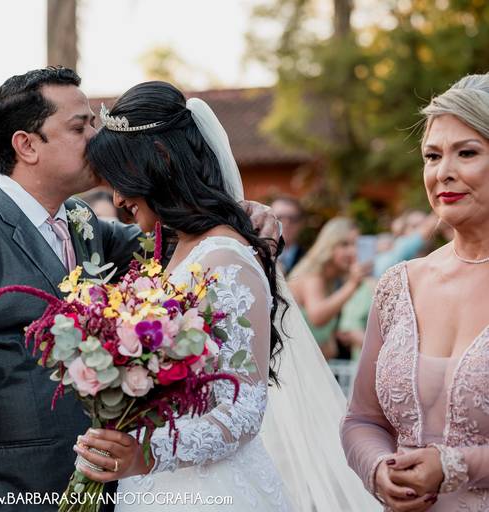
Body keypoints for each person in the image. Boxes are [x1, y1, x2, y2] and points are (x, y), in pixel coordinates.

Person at [0, 68, 280, 512]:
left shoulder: (83, 222)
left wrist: (239, 215)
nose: (97, 137)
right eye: (80, 127)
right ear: (27, 145)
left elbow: (186, 247)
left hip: (117, 493)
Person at [77, 81, 379, 511]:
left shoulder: (225, 259)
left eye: (122, 179)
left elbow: (244, 409)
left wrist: (148, 454)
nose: (118, 198)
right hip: (155, 485)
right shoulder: (176, 249)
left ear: (161, 161)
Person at [342, 73, 489, 511]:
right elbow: (362, 420)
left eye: (467, 152)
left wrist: (456, 466)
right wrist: (378, 469)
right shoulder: (399, 284)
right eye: (432, 156)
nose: (443, 173)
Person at [288, 217, 371, 359]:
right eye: (344, 245)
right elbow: (317, 317)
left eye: (356, 245)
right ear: (329, 245)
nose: (353, 252)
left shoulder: (332, 280)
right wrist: (352, 285)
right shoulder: (313, 275)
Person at [271, 196, 305, 275]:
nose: (286, 223)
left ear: (302, 223)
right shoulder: (253, 256)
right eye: (278, 218)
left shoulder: (310, 258)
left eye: (293, 219)